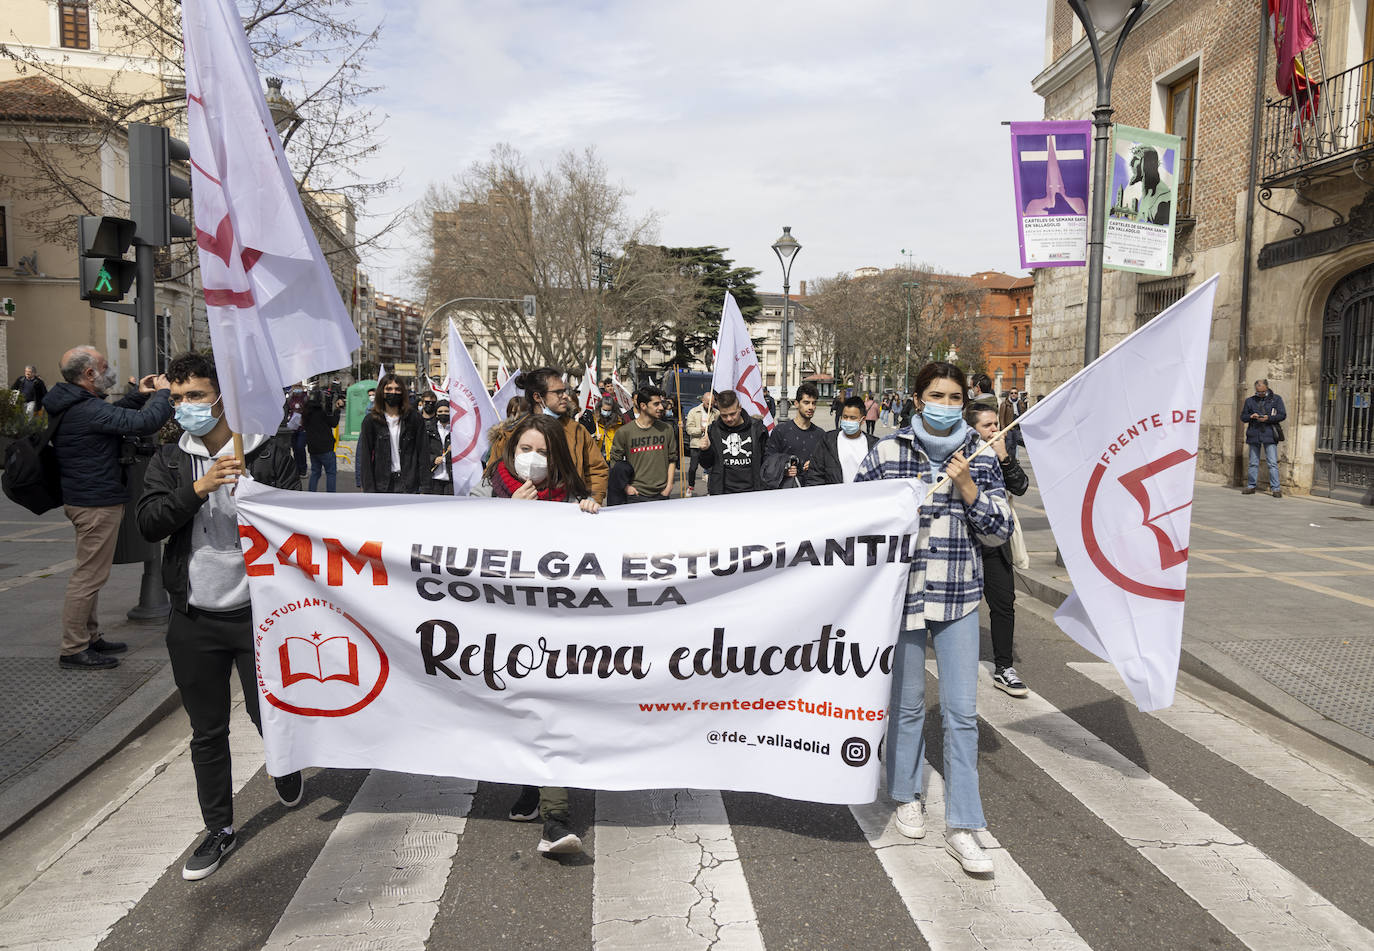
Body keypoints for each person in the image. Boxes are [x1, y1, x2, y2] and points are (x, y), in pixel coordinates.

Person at [135, 352, 304, 880]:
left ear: (223, 397)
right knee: (207, 731)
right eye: (178, 398)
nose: (186, 407)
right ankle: (219, 829)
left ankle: (285, 763)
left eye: (197, 396)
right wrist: (199, 488)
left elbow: (298, 523)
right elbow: (149, 522)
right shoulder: (167, 460)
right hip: (193, 616)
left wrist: (254, 486)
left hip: (258, 614)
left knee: (265, 712)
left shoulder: (268, 452)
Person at [853, 361, 1012, 875]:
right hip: (903, 599)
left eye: (955, 397)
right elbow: (853, 522)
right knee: (907, 703)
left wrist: (968, 487)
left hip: (960, 596)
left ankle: (964, 825)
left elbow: (999, 531)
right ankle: (906, 793)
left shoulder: (981, 453)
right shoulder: (887, 453)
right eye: (936, 395)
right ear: (918, 398)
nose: (946, 405)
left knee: (962, 713)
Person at [491, 414, 599, 856]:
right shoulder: (487, 491)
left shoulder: (571, 496)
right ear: (511, 450)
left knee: (550, 711)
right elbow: (458, 541)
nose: (533, 459)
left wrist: (592, 515)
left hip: (555, 628)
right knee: (520, 711)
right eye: (525, 450)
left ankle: (555, 820)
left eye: (542, 451)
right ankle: (531, 787)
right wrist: (506, 517)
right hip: (502, 626)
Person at [42, 346, 172, 670]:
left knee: (91, 575)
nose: (109, 369)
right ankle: (73, 648)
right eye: (104, 365)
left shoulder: (77, 403)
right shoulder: (86, 410)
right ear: (89, 374)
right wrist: (162, 393)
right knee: (88, 578)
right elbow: (146, 422)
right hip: (95, 503)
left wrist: (138, 394)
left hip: (87, 498)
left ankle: (90, 636)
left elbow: (114, 416)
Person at [967, 404, 1030, 698]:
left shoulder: (1001, 455)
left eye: (996, 424)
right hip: (964, 543)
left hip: (996, 542)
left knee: (1003, 603)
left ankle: (1004, 667)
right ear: (972, 429)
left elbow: (1020, 486)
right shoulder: (963, 455)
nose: (995, 430)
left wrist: (1004, 455)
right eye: (988, 426)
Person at [490, 369, 609, 504]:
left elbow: (597, 470)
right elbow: (493, 477)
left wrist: (591, 500)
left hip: (567, 514)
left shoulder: (577, 432)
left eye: (565, 391)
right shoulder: (510, 434)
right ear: (537, 397)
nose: (565, 396)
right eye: (558, 392)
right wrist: (510, 504)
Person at [607, 385, 677, 503]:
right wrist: (626, 487)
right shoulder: (624, 432)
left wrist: (669, 486)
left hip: (662, 495)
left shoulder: (667, 429)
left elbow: (672, 459)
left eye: (661, 403)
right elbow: (615, 463)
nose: (661, 407)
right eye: (656, 404)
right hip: (636, 495)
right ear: (643, 406)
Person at [358, 374, 425, 493]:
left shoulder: (414, 418)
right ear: (381, 392)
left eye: (397, 389)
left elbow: (423, 452)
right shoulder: (371, 421)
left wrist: (425, 487)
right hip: (382, 484)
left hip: (409, 484)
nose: (393, 392)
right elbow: (365, 457)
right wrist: (368, 488)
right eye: (389, 389)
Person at [763, 382, 834, 488]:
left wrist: (815, 465)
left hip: (812, 491)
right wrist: (784, 469)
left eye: (813, 403)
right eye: (806, 402)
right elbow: (768, 461)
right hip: (786, 492)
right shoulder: (781, 431)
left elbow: (829, 466)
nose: (811, 407)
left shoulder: (821, 434)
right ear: (796, 403)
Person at [699, 390, 769, 495]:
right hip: (722, 493)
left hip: (753, 492)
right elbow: (706, 464)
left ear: (739, 408)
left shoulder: (757, 429)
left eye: (732, 414)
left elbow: (767, 460)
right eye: (724, 415)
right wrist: (705, 450)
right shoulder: (713, 430)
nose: (729, 419)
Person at [817, 396, 878, 483]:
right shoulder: (828, 440)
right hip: (834, 495)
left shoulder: (874, 445)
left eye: (852, 418)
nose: (847, 421)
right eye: (845, 417)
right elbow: (816, 473)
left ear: (863, 420)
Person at [1242, 378, 1286, 497]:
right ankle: (1251, 486)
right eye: (1258, 391)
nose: (1260, 394)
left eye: (1262, 391)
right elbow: (1243, 417)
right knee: (1253, 462)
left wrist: (1268, 418)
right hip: (1254, 433)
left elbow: (1282, 415)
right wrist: (1251, 416)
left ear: (1267, 388)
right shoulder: (1250, 401)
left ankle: (1276, 489)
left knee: (1272, 462)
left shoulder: (1276, 399)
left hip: (1269, 433)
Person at [303, 390, 343, 492]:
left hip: (313, 449)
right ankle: (330, 495)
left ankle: (311, 493)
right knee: (331, 473)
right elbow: (333, 423)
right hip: (326, 448)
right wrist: (337, 410)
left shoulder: (306, 413)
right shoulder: (322, 412)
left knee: (315, 472)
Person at [683, 392, 717, 497]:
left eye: (712, 404)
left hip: (710, 444)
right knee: (693, 468)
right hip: (696, 444)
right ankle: (690, 486)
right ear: (703, 400)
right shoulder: (694, 412)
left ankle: (710, 490)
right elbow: (689, 429)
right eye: (708, 403)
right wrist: (700, 430)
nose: (710, 406)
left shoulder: (717, 413)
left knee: (711, 469)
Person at [425, 400, 454, 495]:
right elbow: (423, 452)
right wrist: (433, 459)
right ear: (436, 413)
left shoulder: (456, 430)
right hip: (435, 477)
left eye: (446, 411)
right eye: (440, 412)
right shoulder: (429, 430)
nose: (443, 414)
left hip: (452, 478)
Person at [592, 394, 625, 459]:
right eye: (604, 410)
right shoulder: (594, 420)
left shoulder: (618, 422)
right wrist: (595, 438)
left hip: (612, 457)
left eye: (608, 411)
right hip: (598, 456)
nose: (606, 412)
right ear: (600, 407)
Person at [998, 388, 1026, 462]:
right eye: (1012, 393)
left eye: (1015, 393)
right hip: (1008, 428)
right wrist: (1003, 429)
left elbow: (1023, 414)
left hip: (1017, 428)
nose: (1014, 394)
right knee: (1008, 444)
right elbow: (1001, 418)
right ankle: (1007, 459)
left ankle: (1013, 460)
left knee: (1015, 444)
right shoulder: (1005, 404)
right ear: (1009, 394)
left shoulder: (1020, 403)